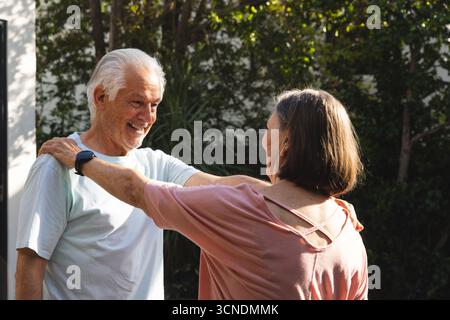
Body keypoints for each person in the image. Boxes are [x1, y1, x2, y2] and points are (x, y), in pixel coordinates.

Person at [40, 88, 369, 300]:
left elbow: (137, 191)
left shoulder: (241, 211)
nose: (262, 143)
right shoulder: (348, 233)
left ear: (285, 144)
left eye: (267, 133)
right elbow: (243, 186)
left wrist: (81, 159)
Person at [15, 48, 253, 300]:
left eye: (154, 105)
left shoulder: (156, 164)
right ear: (101, 97)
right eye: (137, 102)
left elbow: (221, 187)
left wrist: (280, 192)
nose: (148, 117)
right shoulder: (56, 165)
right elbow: (30, 266)